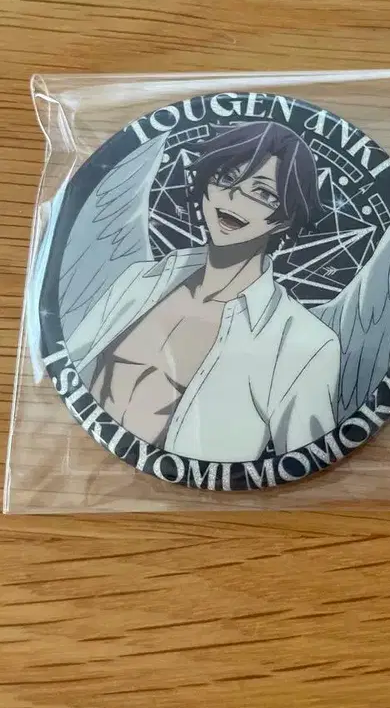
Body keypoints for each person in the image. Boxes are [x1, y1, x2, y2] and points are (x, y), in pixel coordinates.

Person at [65, 121, 341, 462]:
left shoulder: (306, 344)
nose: (234, 197)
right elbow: (67, 367)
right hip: (74, 459)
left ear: (286, 218)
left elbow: (308, 461)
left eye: (263, 193)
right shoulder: (140, 280)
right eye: (226, 177)